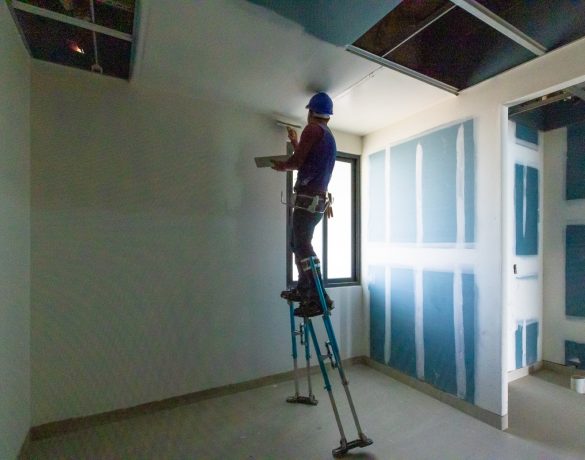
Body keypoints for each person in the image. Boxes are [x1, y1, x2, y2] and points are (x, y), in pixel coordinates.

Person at [271, 92, 336, 317]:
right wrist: (295, 142)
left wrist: (281, 166)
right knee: (297, 244)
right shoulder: (327, 135)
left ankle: (319, 297)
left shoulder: (312, 129)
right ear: (328, 116)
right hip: (316, 202)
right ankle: (304, 289)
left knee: (303, 246)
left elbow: (298, 161)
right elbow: (309, 160)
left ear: (311, 112)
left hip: (308, 200)